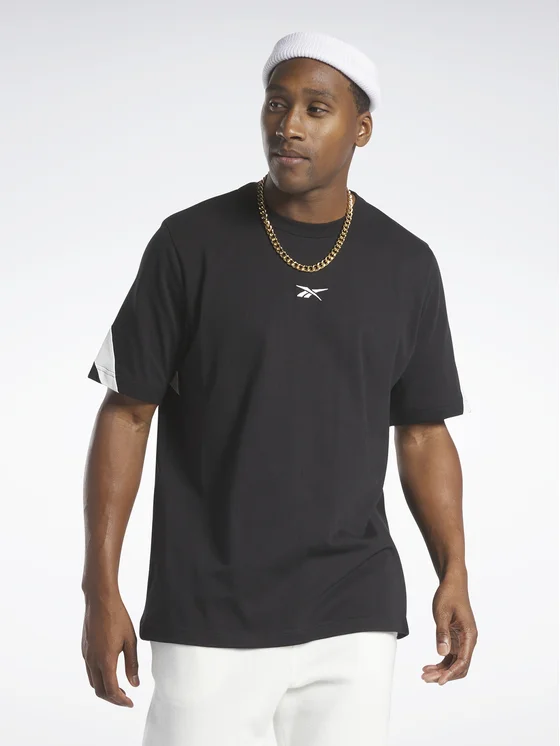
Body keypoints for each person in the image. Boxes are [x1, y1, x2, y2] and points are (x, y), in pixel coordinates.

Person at [81, 30, 478, 746]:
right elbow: (128, 412)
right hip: (210, 611)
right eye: (276, 104)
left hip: (353, 608)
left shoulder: (406, 264)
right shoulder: (189, 244)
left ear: (361, 129)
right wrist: (99, 587)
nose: (288, 125)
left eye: (316, 109)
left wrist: (454, 571)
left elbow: (423, 430)